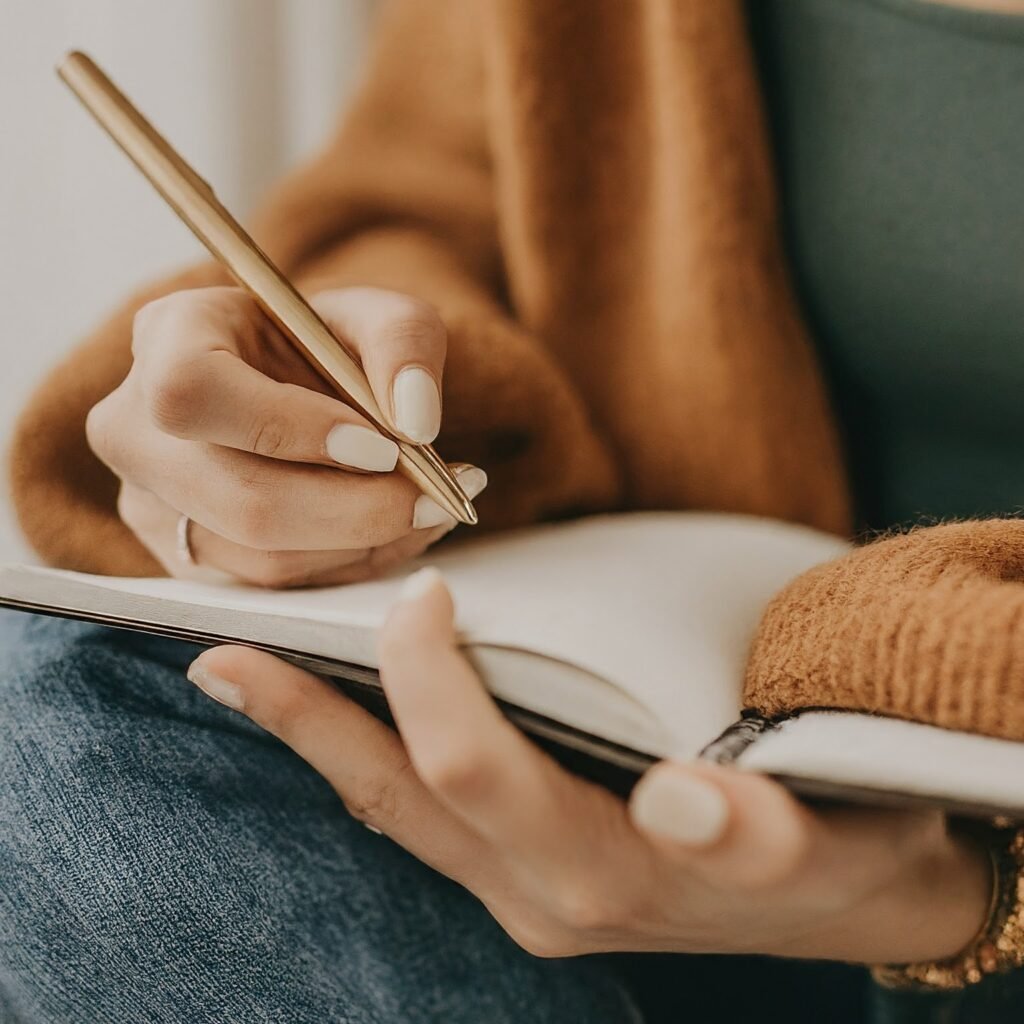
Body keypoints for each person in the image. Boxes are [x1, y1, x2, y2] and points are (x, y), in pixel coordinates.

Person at [3, 0, 1024, 1020]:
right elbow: (430, 198)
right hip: (644, 781)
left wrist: (975, 896)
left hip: (937, 828)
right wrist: (341, 374)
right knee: (47, 717)